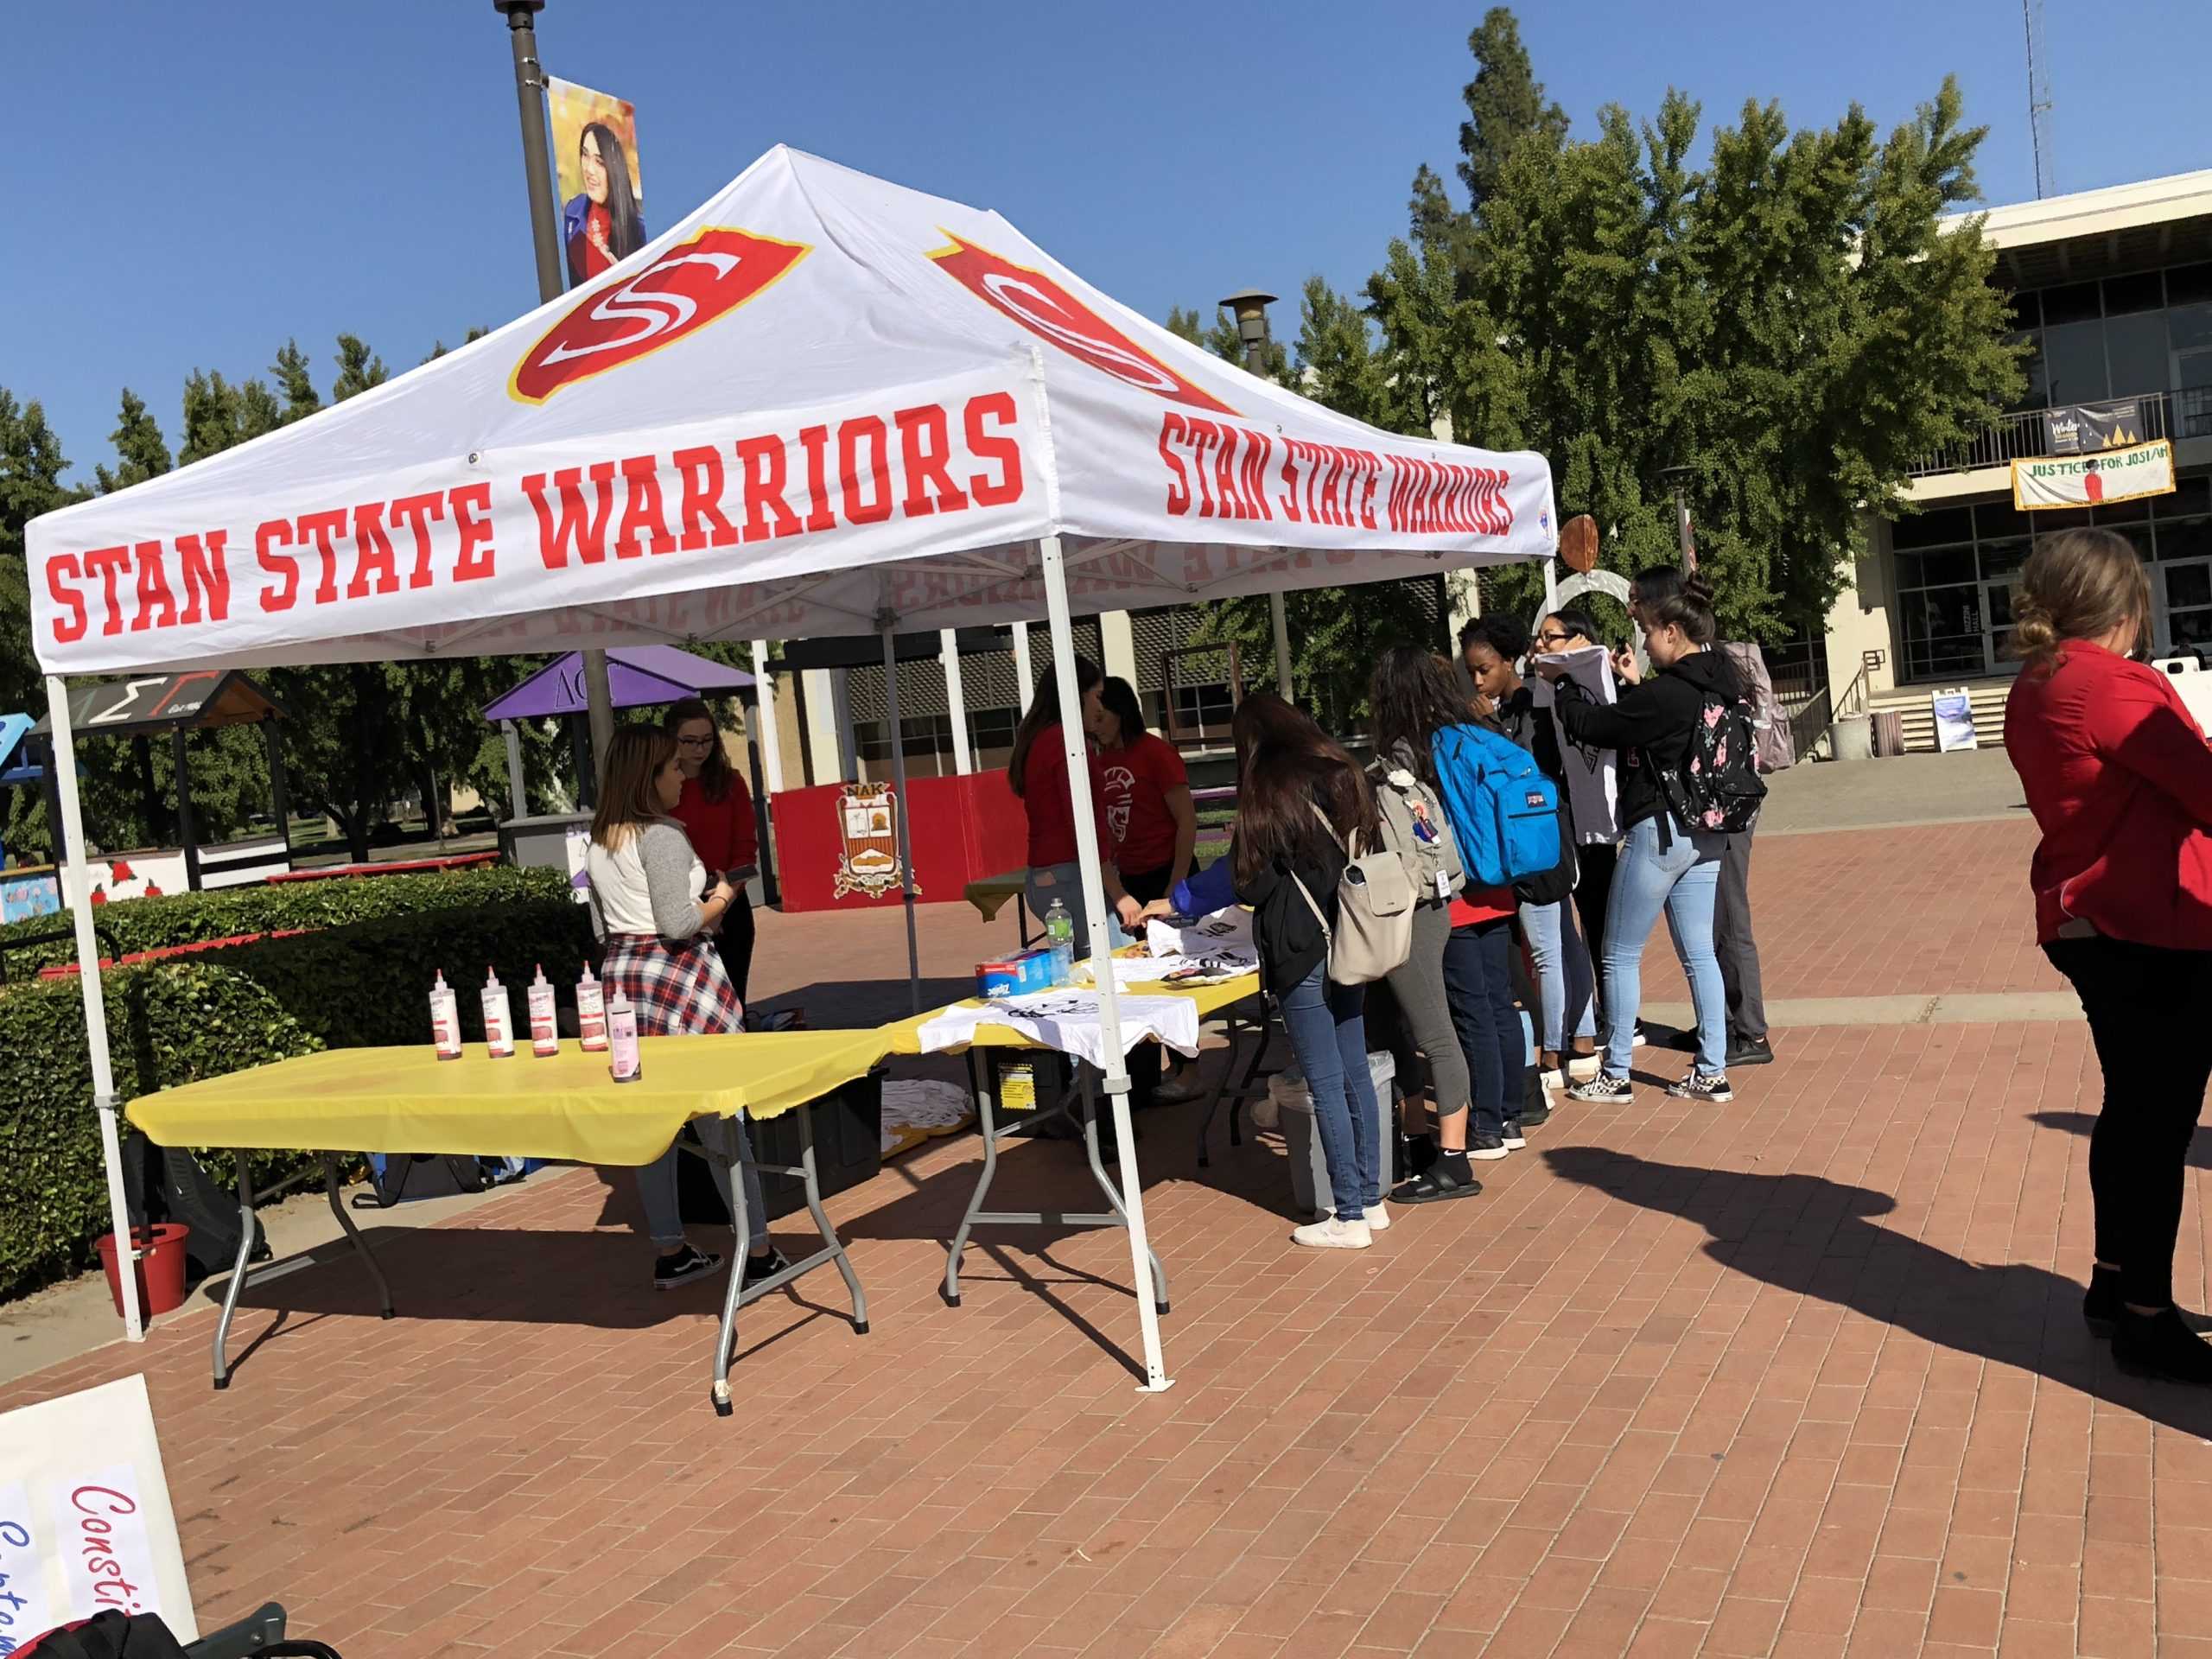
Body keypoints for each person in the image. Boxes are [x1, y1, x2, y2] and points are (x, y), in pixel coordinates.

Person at [2005, 527, 2212, 1383]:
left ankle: (2114, 1285)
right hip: (2148, 922)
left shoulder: (2037, 681)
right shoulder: (2112, 684)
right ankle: (2143, 1318)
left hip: (2090, 916)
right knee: (2157, 1124)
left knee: (2131, 1109)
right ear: (2127, 606)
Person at [1159, 695, 1389, 1247]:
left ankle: (1349, 1215)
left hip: (1301, 948)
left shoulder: (1270, 788)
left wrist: (1179, 900)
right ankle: (1372, 1198)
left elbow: (1247, 880)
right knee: (1354, 1068)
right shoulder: (1343, 771)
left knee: (1324, 1079)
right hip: (1353, 939)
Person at [586, 727, 781, 1292]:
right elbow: (676, 922)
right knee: (722, 1119)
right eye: (673, 766)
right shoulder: (663, 837)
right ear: (648, 775)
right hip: (678, 974)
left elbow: (601, 926)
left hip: (625, 977)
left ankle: (670, 1249)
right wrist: (722, 896)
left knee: (652, 1121)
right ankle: (760, 1249)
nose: (682, 774)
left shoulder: (600, 841)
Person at [1538, 578, 1738, 1104]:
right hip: (1708, 832)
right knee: (1700, 953)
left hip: (1660, 829)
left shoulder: (1669, 692)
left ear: (1672, 632)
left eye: (1649, 632)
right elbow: (1652, 722)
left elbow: (1601, 726)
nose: (1644, 643)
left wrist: (1562, 686)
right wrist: (1634, 683)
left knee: (1619, 952)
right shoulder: (1723, 680)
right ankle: (1713, 1069)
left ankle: (1617, 1072)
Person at [1370, 645, 1532, 1164]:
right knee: (1498, 1001)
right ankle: (1510, 1112)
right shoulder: (1476, 729)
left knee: (1466, 1014)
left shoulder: (1413, 750)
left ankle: (1482, 1126)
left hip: (1452, 896)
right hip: (1498, 883)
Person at [1630, 570, 1775, 1069]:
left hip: (1724, 803)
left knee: (1729, 916)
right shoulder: (1707, 665)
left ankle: (1748, 1030)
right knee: (1711, 919)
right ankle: (1723, 1024)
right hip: (1712, 801)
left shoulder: (1715, 665)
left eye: (1638, 606)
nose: (1632, 614)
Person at [1462, 613, 1599, 1089]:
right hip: (1545, 839)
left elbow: (1524, 770)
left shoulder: (1527, 705)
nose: (1478, 680)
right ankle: (1583, 1040)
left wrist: (1489, 729)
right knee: (1565, 941)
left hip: (1535, 841)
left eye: (1485, 668)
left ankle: (1553, 1055)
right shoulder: (1519, 705)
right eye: (1472, 672)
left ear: (1507, 661)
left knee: (1548, 952)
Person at [1362, 655, 1480, 1204]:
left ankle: (1452, 1159)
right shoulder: (1446, 744)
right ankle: (1421, 1142)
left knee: (1432, 1030)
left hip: (1411, 907)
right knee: (1399, 1028)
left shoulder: (1404, 761)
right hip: (1437, 896)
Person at [1090, 677, 1199, 1102]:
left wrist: (1175, 888)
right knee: (1140, 977)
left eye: (1102, 717)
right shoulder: (1096, 762)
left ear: (1123, 713)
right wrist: (1119, 889)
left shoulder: (1156, 753)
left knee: (1177, 972)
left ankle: (1189, 1069)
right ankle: (1147, 1074)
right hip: (1129, 877)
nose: (1095, 726)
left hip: (1168, 872)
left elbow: (1186, 822)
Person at [1007, 658, 1144, 950]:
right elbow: (1084, 827)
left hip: (1047, 878)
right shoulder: (1065, 741)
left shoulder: (1040, 739)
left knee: (1081, 975)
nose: (1100, 707)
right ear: (1077, 694)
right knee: (1117, 969)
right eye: (1096, 695)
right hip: (1073, 879)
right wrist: (1120, 895)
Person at [1534, 605, 1628, 1027]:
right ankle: (1601, 1008)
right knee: (1583, 918)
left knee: (1602, 916)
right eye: (1538, 638)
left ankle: (1620, 1012)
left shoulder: (1610, 691)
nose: (1540, 645)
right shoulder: (1539, 693)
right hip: (1563, 815)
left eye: (1550, 637)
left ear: (1580, 642)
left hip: (1599, 821)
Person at [664, 697, 760, 1012]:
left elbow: (745, 853)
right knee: (687, 1008)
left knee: (732, 1005)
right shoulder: (660, 789)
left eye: (706, 740)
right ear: (670, 740)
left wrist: (721, 906)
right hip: (679, 907)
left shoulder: (731, 783)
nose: (699, 749)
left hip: (730, 902)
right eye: (689, 741)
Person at [563, 121, 646, 285]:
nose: (589, 170)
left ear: (615, 170)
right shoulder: (572, 212)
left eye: (600, 162)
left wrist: (623, 282)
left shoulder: (638, 231)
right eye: (585, 155)